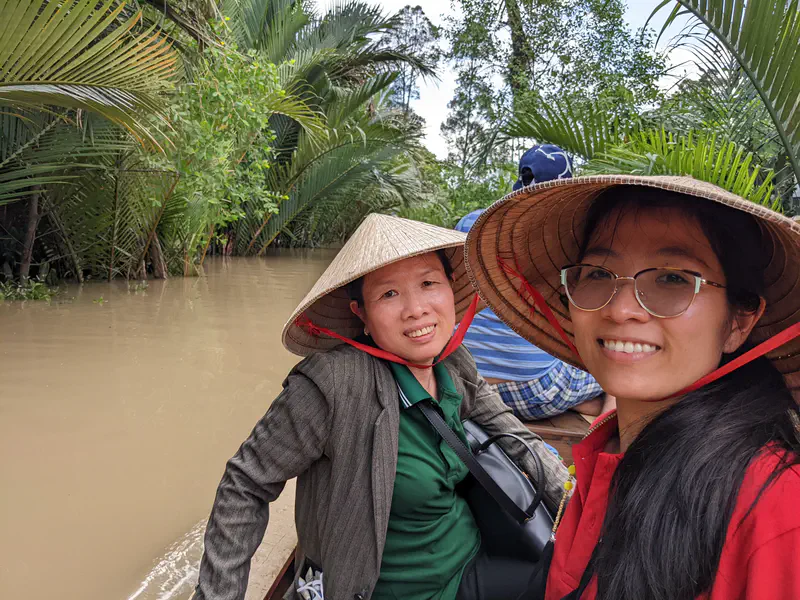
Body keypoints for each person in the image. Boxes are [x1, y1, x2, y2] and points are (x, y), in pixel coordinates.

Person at [193, 213, 568, 600]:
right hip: (392, 590)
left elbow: (515, 435)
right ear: (362, 315)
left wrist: (577, 507)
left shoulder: (454, 363)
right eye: (389, 294)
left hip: (470, 557)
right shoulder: (332, 385)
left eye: (428, 283)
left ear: (450, 286)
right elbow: (245, 484)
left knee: (582, 580)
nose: (416, 309)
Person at [465, 175, 800, 599]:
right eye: (598, 273)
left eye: (673, 279)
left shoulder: (776, 509)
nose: (621, 309)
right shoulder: (606, 448)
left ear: (738, 322)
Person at [455, 145, 610, 421]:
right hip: (536, 389)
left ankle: (582, 403)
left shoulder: (471, 223)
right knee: (614, 363)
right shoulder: (565, 239)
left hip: (465, 384)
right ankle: (608, 422)